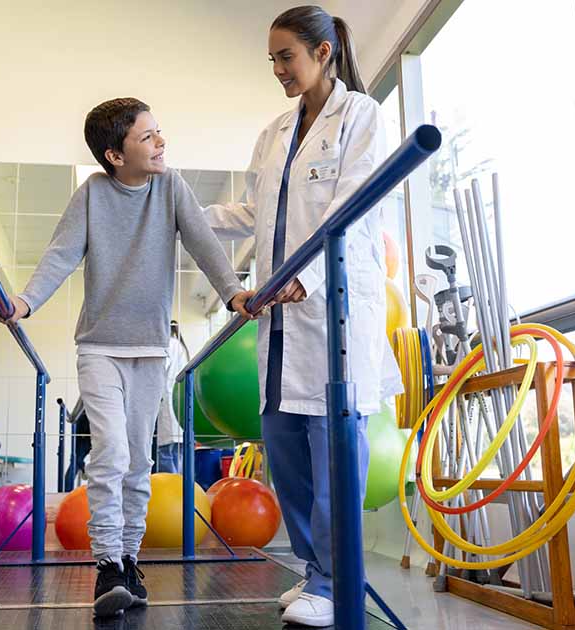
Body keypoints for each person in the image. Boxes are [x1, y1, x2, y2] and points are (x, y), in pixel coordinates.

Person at [0, 97, 254, 618]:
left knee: (139, 461)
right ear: (115, 155)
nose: (161, 143)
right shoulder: (92, 193)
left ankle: (129, 562)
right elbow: (61, 254)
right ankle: (106, 566)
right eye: (148, 137)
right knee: (111, 451)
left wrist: (232, 294)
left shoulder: (172, 187)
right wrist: (26, 301)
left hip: (151, 349)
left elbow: (204, 243)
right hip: (99, 346)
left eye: (159, 133)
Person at [204, 6, 402, 627]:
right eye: (272, 60)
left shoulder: (361, 118)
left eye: (286, 57)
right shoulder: (272, 133)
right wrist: (182, 212)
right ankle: (316, 574)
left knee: (331, 454)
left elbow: (354, 207)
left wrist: (306, 275)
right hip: (280, 317)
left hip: (332, 308)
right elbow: (257, 212)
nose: (278, 70)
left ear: (322, 53)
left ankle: (339, 583)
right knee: (284, 450)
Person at [154, 321, 191, 473]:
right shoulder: (181, 347)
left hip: (168, 404)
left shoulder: (167, 345)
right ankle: (179, 491)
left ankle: (171, 491)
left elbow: (158, 371)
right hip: (180, 404)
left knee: (166, 455)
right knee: (179, 455)